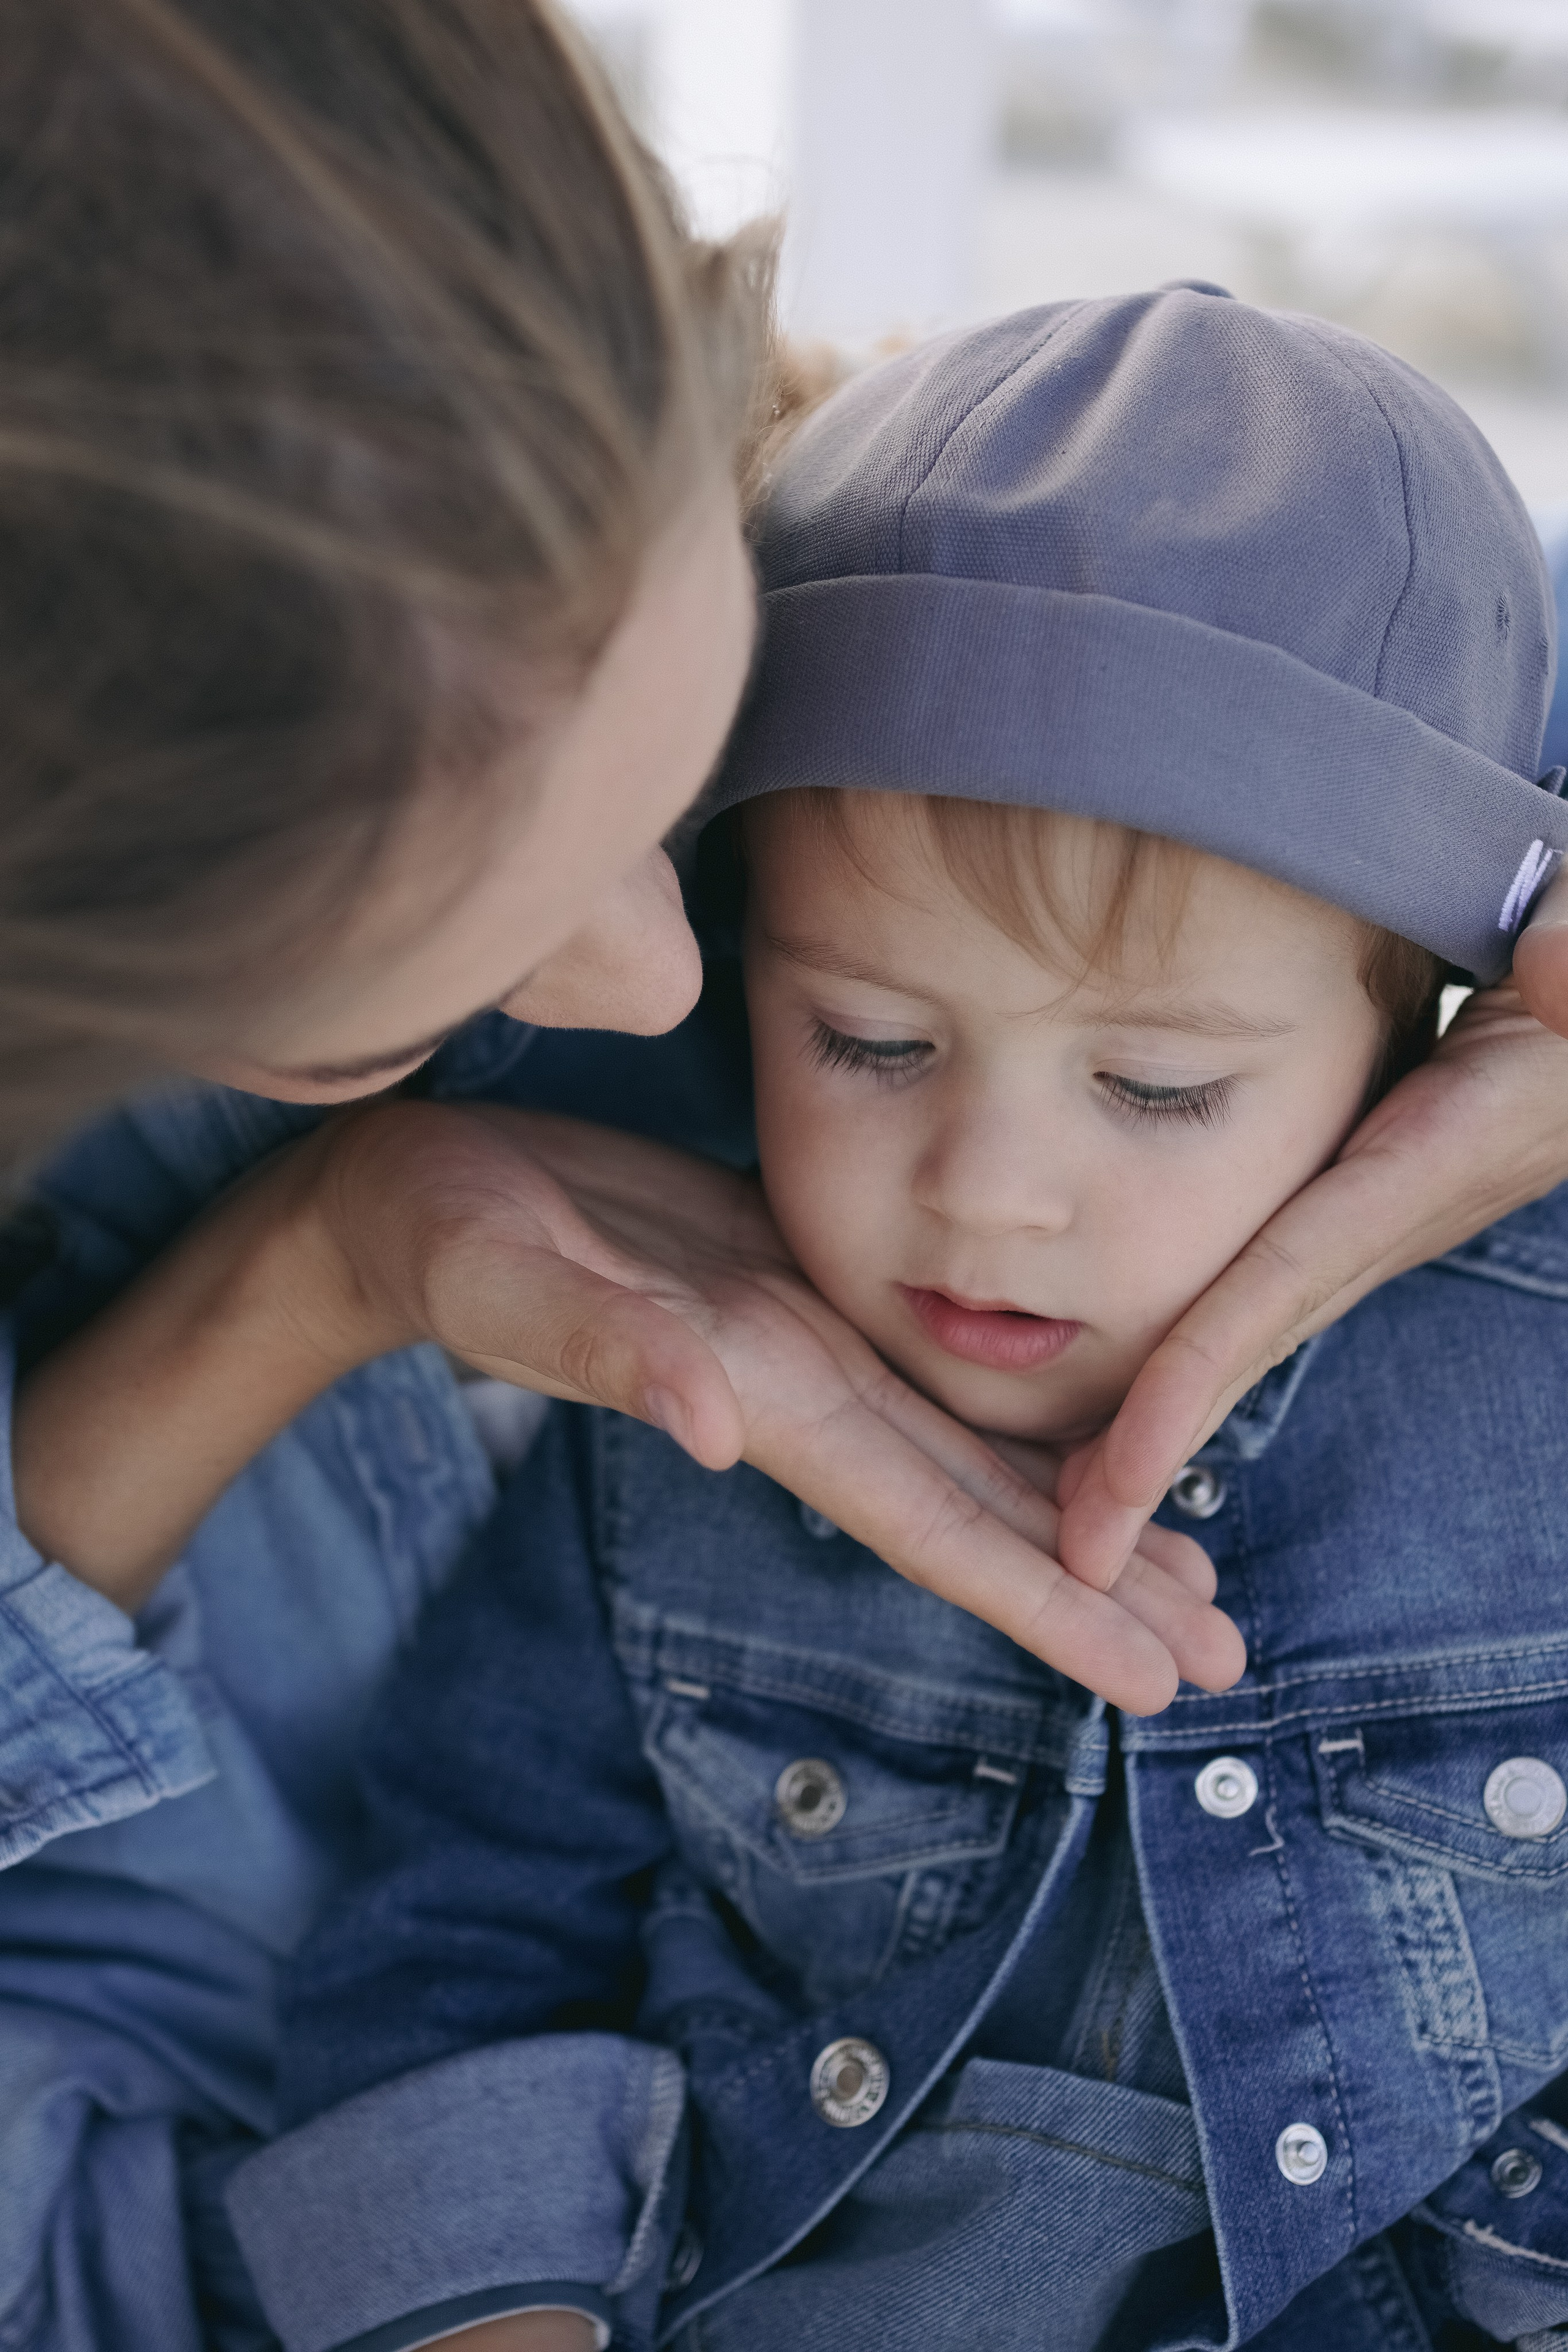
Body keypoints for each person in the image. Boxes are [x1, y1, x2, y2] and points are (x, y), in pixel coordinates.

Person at [230, 287, 1568, 2352]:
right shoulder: (666, 1405)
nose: (985, 1190)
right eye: (866, 1039)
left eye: (1156, 1088)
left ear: (1416, 1050)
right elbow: (458, 1935)